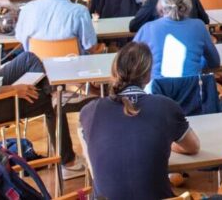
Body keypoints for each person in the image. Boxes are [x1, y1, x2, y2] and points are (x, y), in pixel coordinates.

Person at [0, 0, 84, 176]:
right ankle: (67, 161)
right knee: (50, 103)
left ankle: (52, 92)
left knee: (28, 58)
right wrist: (14, 89)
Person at [80, 42, 200, 200]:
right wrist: (167, 143)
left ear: (114, 72)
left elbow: (93, 163)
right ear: (148, 75)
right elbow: (193, 146)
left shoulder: (89, 111)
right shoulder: (166, 107)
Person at [133, 0, 220, 79]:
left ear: (161, 3)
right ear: (187, 3)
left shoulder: (148, 28)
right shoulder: (199, 26)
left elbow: (131, 61)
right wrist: (196, 64)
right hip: (192, 86)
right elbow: (214, 62)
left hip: (158, 86)